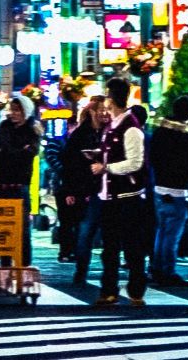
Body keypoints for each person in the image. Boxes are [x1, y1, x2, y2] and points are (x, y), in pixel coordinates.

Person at [91, 82, 152, 306]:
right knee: (110, 249)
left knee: (132, 247)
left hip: (128, 197)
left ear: (112, 98)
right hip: (109, 196)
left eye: (107, 96)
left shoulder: (131, 127)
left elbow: (135, 163)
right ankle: (110, 290)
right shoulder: (112, 126)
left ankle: (136, 291)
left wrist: (106, 168)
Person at [149, 96, 188, 287]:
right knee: (172, 233)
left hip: (159, 187)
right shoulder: (187, 138)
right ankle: (167, 270)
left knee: (161, 230)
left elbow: (152, 158)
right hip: (177, 189)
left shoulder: (159, 132)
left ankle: (156, 267)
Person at [0, 94, 40, 266]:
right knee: (2, 229)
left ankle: (24, 266)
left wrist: (7, 151)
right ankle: (5, 266)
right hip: (1, 185)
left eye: (18, 110)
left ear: (26, 111)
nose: (14, 113)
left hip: (20, 186)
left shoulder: (32, 130)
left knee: (23, 230)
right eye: (12, 109)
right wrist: (16, 152)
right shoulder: (4, 126)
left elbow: (27, 155)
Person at [60, 96, 106, 284]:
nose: (104, 114)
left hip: (106, 188)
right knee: (85, 232)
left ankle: (108, 271)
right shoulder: (80, 134)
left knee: (108, 234)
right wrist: (70, 190)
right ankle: (81, 271)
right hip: (85, 189)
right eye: (100, 110)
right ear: (92, 112)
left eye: (106, 110)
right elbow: (68, 163)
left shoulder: (109, 132)